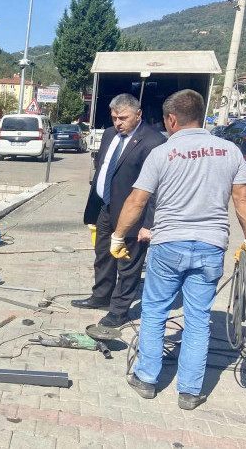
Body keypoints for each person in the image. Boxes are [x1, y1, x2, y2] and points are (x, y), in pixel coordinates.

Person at [110, 89, 246, 410]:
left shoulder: (163, 153)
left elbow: (137, 200)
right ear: (201, 115)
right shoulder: (229, 150)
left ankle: (147, 378)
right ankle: (190, 391)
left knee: (154, 312)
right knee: (197, 319)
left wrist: (117, 238)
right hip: (211, 247)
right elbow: (243, 197)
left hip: (168, 246)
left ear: (172, 119)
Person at [73, 93, 167, 327]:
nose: (118, 123)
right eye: (114, 117)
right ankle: (101, 296)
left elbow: (156, 189)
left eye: (123, 118)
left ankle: (119, 310)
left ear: (138, 115)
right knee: (103, 255)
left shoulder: (154, 142)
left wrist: (149, 224)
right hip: (105, 208)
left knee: (128, 263)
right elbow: (103, 169)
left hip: (134, 214)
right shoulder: (108, 135)